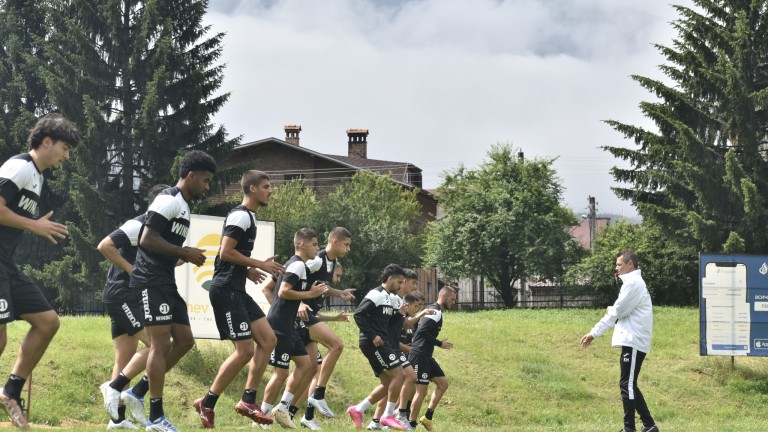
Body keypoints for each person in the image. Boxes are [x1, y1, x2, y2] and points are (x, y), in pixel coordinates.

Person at [0, 114, 81, 429]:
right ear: (46, 142)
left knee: (47, 321)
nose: (67, 156)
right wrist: (34, 224)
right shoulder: (20, 167)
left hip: (6, 263)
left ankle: (10, 393)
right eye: (65, 148)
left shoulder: (37, 177)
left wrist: (32, 226)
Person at [192, 170, 286, 429]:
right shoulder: (240, 216)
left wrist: (248, 270)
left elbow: (229, 257)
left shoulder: (249, 217)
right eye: (266, 186)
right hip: (225, 290)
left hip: (237, 289)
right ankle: (208, 403)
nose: (270, 191)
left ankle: (248, 400)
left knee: (268, 340)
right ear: (252, 189)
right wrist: (259, 264)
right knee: (245, 350)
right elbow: (225, 251)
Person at [133, 150, 217, 432]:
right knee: (160, 345)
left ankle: (136, 393)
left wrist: (183, 256)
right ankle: (155, 417)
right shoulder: (168, 199)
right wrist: (184, 251)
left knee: (184, 341)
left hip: (166, 280)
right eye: (205, 181)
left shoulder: (183, 204)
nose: (207, 187)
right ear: (190, 176)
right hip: (151, 279)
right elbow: (146, 239)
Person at [98, 183, 169, 430]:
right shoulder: (138, 224)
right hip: (122, 295)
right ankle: (118, 387)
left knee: (124, 358)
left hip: (127, 296)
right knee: (160, 346)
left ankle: (116, 419)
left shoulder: (157, 231)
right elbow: (104, 245)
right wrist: (133, 271)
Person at [580, 250, 659, 432]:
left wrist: (594, 332)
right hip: (632, 341)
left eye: (619, 264)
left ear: (630, 264)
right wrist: (612, 310)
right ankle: (649, 425)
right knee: (629, 383)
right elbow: (619, 310)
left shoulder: (633, 283)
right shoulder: (632, 283)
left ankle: (629, 428)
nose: (616, 268)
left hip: (634, 340)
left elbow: (617, 312)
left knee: (627, 384)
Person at [259, 228, 328, 429]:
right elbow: (283, 292)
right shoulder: (296, 265)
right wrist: (309, 294)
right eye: (315, 244)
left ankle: (282, 407)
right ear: (302, 245)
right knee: (280, 373)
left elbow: (276, 290)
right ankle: (261, 416)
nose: (318, 248)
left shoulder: (300, 266)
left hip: (290, 325)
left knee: (308, 364)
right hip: (279, 325)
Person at [347, 264, 409, 431]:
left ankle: (358, 409)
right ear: (389, 279)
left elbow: (387, 324)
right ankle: (387, 416)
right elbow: (359, 314)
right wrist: (372, 335)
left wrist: (399, 314)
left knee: (389, 382)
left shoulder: (389, 297)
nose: (401, 286)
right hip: (373, 343)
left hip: (381, 342)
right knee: (400, 375)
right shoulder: (377, 294)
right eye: (399, 282)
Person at [402, 286, 456, 431]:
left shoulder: (435, 311)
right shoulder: (436, 312)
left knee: (443, 383)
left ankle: (427, 417)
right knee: (421, 390)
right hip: (419, 355)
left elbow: (417, 329)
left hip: (425, 355)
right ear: (444, 296)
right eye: (452, 298)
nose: (454, 302)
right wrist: (440, 343)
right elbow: (422, 331)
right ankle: (410, 424)